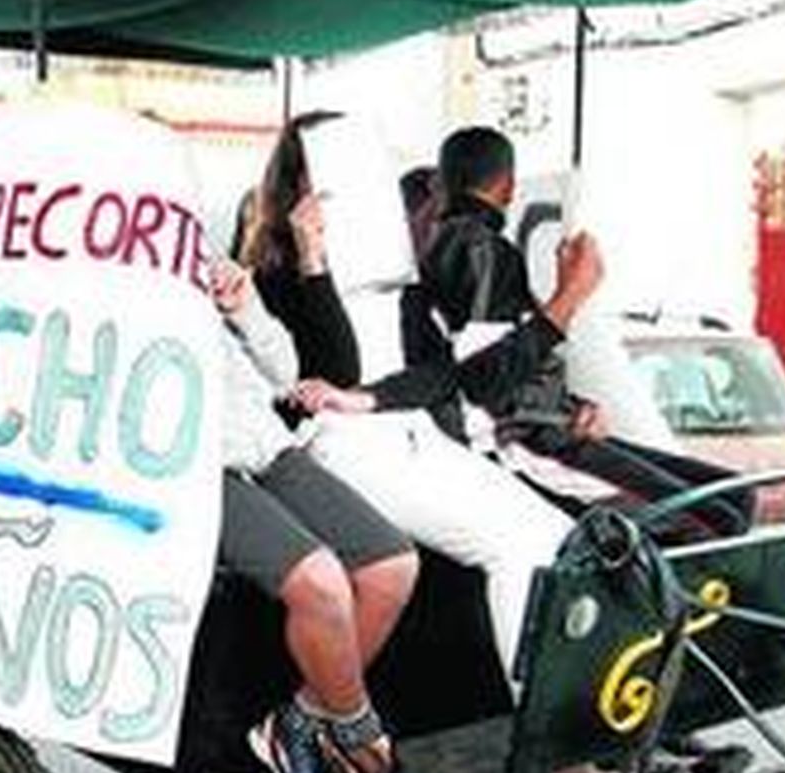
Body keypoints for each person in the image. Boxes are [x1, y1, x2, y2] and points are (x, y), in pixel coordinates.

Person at [240, 126, 576, 676]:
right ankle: (558, 751)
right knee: (511, 550)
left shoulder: (395, 274)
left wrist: (373, 398)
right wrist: (314, 261)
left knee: (553, 536)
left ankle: (568, 731)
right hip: (338, 443)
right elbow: (335, 369)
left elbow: (441, 372)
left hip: (403, 425)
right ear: (298, 188)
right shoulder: (273, 276)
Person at [418, 126, 751, 537]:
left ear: (444, 183)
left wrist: (568, 403)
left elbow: (507, 362)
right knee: (713, 519)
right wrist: (572, 294)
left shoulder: (461, 248)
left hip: (541, 427)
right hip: (523, 445)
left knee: (734, 497)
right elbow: (487, 380)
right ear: (507, 187)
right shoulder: (480, 250)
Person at [212, 257, 429, 773]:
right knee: (322, 583)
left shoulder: (199, 259)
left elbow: (284, 373)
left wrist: (245, 308)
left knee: (393, 565)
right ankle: (361, 737)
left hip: (268, 448)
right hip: (195, 470)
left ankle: (298, 723)